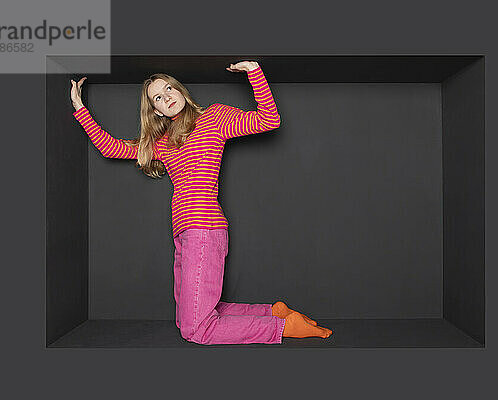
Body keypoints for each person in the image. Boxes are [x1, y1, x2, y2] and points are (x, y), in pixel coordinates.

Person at [69, 60, 333, 345]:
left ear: (180, 91)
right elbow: (112, 147)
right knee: (189, 318)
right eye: (158, 97)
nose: (167, 96)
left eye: (169, 88)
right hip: (184, 234)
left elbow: (269, 120)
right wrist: (79, 107)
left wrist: (254, 72)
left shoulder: (214, 117)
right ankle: (273, 313)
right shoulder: (163, 143)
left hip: (204, 229)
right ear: (156, 110)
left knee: (196, 330)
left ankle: (280, 328)